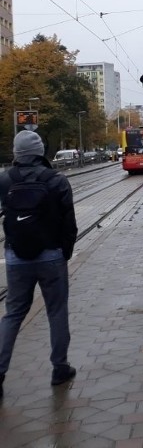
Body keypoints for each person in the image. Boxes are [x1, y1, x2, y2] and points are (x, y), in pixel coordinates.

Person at [0, 130, 78, 398]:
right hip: (51, 256)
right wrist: (64, 252)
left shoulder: (4, 180)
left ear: (16, 152)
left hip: (16, 256)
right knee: (56, 311)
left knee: (12, 314)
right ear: (40, 151)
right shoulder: (57, 180)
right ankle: (60, 368)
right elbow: (70, 224)